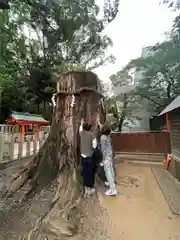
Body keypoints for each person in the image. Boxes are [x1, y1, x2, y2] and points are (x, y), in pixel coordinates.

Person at [79, 118, 97, 197]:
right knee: (90, 173)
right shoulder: (92, 135)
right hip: (89, 157)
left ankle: (86, 189)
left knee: (85, 172)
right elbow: (94, 145)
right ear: (90, 128)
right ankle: (89, 190)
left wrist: (81, 123)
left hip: (83, 157)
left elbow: (80, 129)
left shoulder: (81, 133)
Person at [98, 122, 117, 196]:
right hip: (110, 155)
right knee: (111, 169)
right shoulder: (108, 135)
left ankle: (112, 189)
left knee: (107, 172)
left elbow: (103, 150)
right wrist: (99, 123)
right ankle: (111, 182)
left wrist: (103, 161)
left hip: (106, 157)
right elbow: (104, 128)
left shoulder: (102, 138)